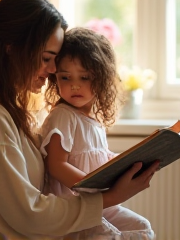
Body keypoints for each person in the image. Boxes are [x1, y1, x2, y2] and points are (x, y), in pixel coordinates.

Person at [0, 0, 159, 240]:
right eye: (46, 58)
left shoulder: (4, 108)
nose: (52, 70)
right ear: (11, 49)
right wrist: (110, 197)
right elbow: (28, 213)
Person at [40, 27, 155, 239]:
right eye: (65, 78)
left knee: (141, 227)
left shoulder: (94, 121)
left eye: (84, 77)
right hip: (75, 205)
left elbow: (97, 156)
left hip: (99, 202)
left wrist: (130, 162)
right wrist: (96, 190)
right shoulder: (64, 115)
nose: (74, 85)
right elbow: (56, 165)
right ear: (55, 79)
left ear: (102, 78)